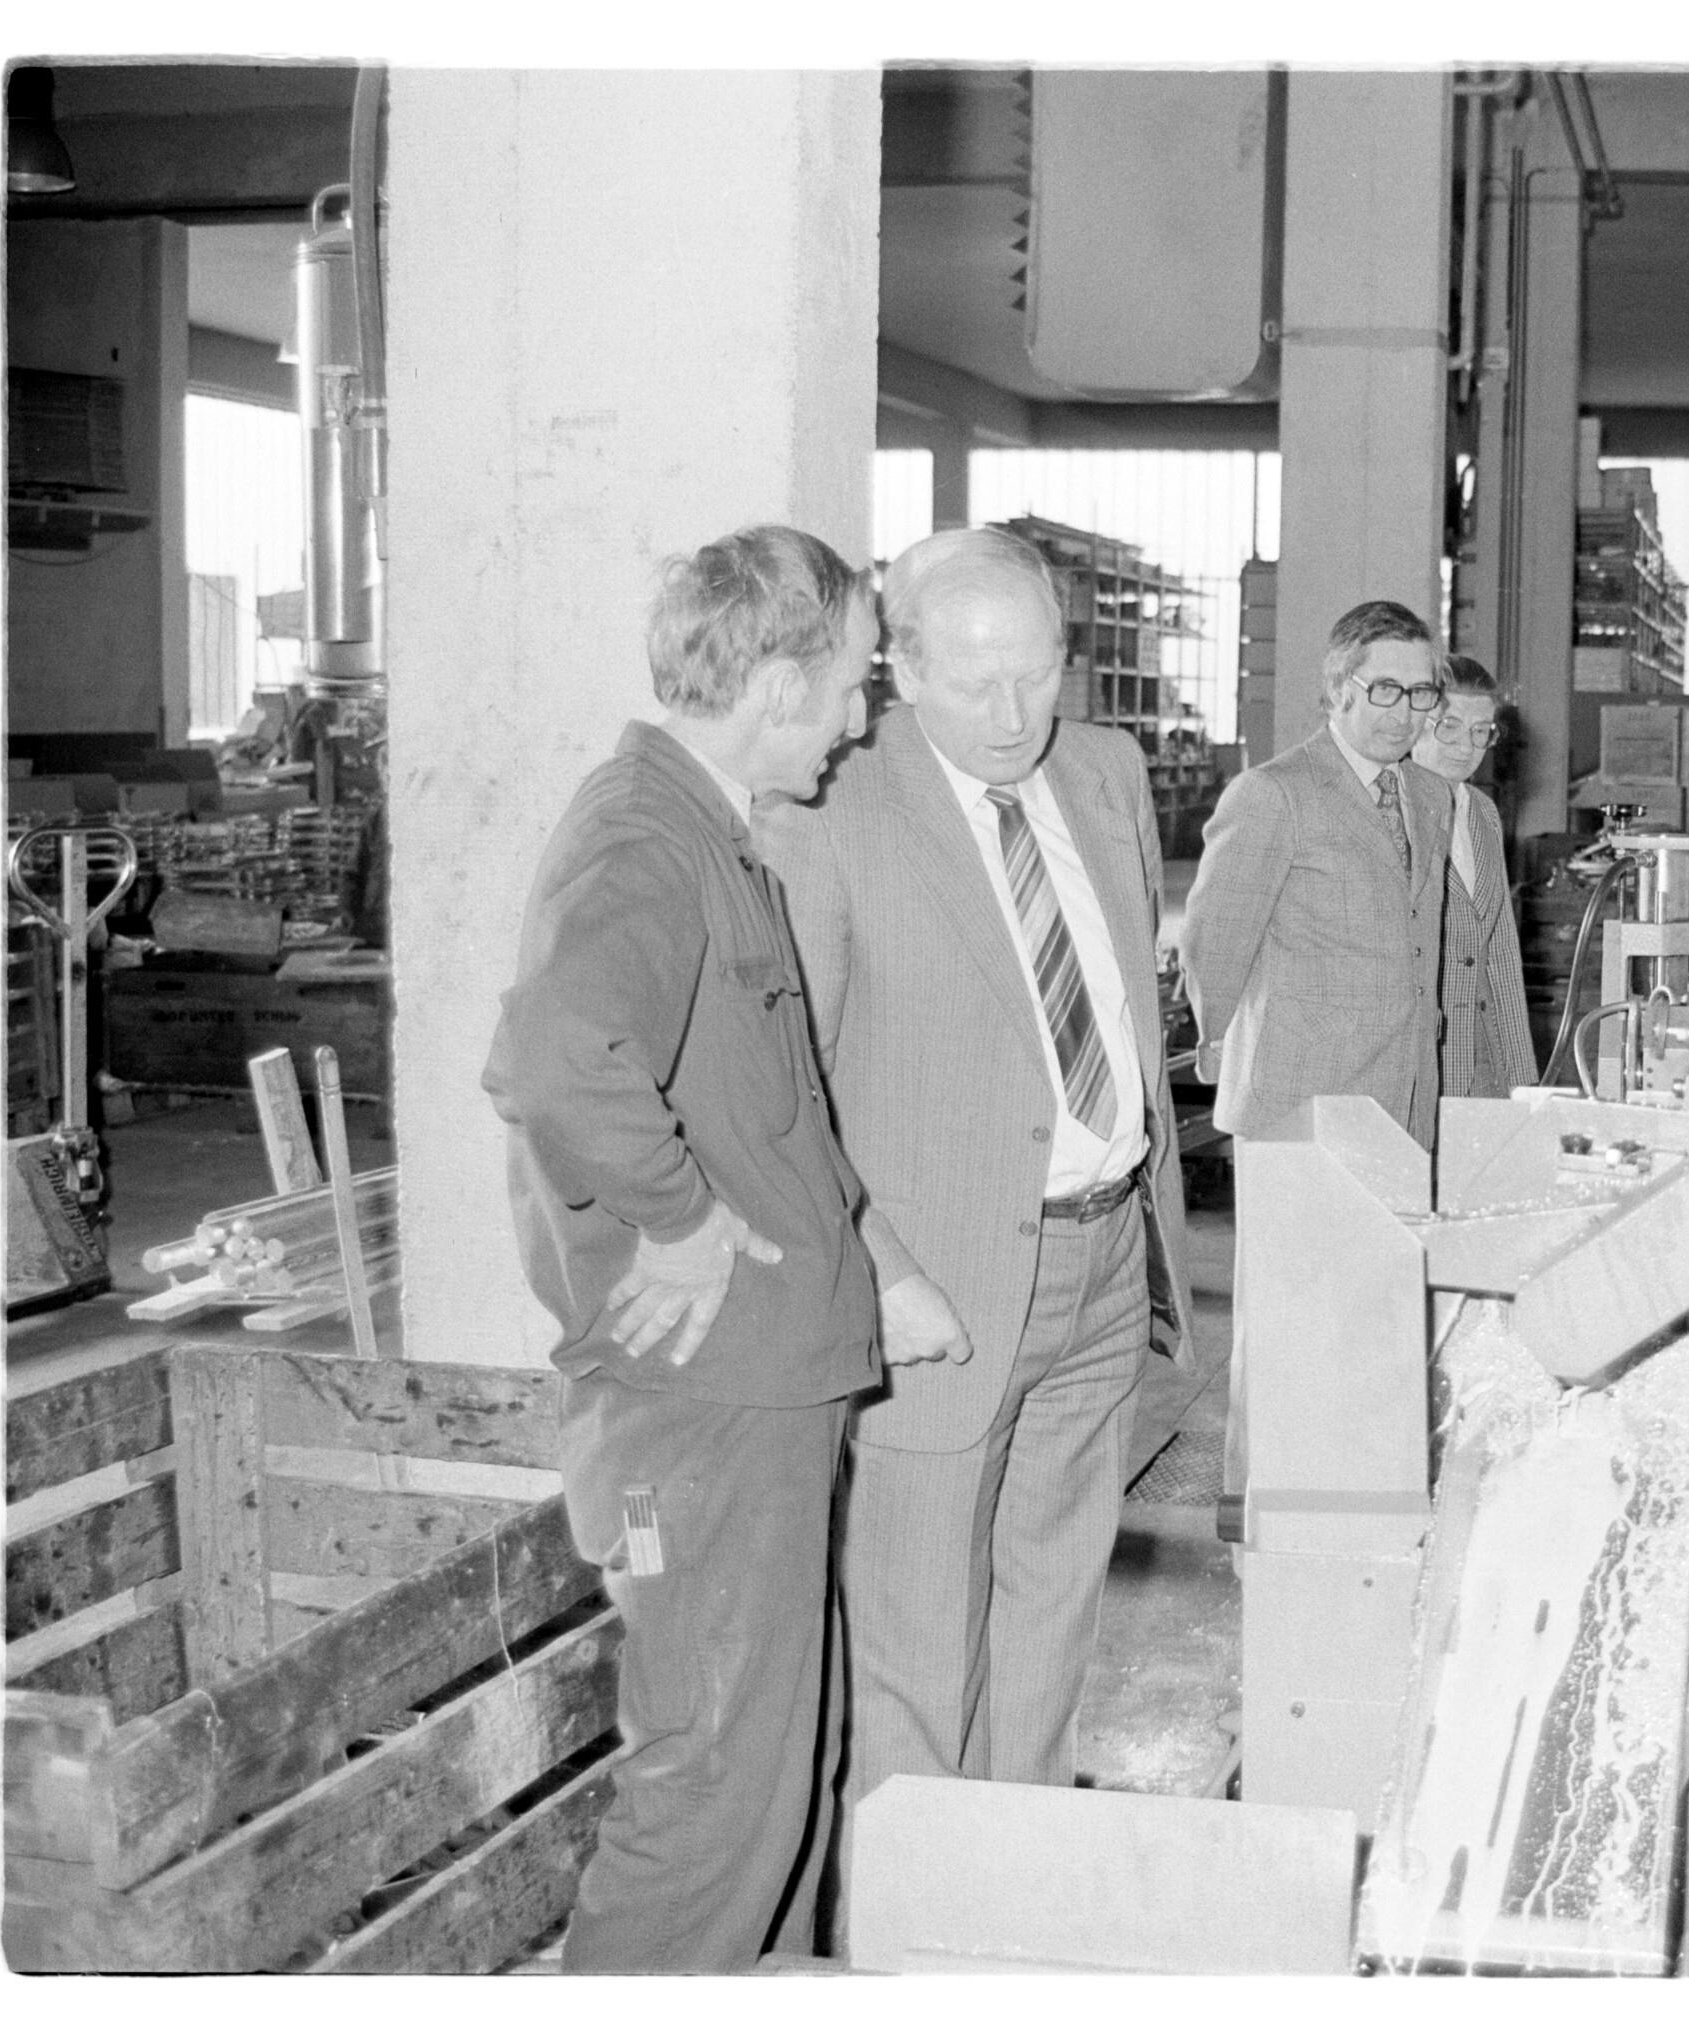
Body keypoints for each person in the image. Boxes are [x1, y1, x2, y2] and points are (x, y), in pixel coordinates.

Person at [481, 523, 879, 1972]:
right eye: (852, 682)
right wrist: (685, 1220)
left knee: (777, 1772)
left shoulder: (705, 828)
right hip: (706, 1407)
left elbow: (747, 1103)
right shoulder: (648, 837)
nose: (859, 718)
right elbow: (554, 1052)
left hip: (757, 1387)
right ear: (778, 686)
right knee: (714, 1791)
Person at [755, 527, 1197, 1825]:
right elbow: (786, 1088)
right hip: (936, 1287)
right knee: (918, 1648)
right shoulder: (827, 809)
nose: (1013, 718)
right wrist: (882, 1270)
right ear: (899, 668)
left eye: (1039, 674)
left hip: (1108, 1257)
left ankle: (1015, 1894)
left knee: (1052, 1619)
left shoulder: (1105, 772)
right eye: (974, 684)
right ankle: (907, 1921)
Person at [1179, 599, 1452, 1150]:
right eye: (1385, 690)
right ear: (1339, 687)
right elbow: (1215, 942)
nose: (1403, 713)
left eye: (1420, 693)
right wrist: (1216, 1043)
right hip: (1297, 1098)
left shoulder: (1431, 796)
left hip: (1407, 1097)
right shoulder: (1274, 794)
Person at [1412, 654, 1537, 1099]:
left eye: (1480, 731)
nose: (1465, 746)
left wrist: (1522, 1081)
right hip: (1416, 1061)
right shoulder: (1386, 811)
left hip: (1480, 1055)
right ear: (1416, 722)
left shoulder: (1483, 813)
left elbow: (1500, 950)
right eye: (1449, 726)